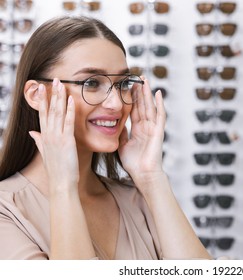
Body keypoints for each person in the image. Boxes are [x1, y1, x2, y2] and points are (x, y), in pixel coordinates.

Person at [0, 16, 212, 260]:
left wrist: (151, 177)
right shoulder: (7, 211)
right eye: (91, 83)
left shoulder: (138, 199)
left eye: (122, 84)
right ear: (37, 94)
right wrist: (63, 188)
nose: (116, 103)